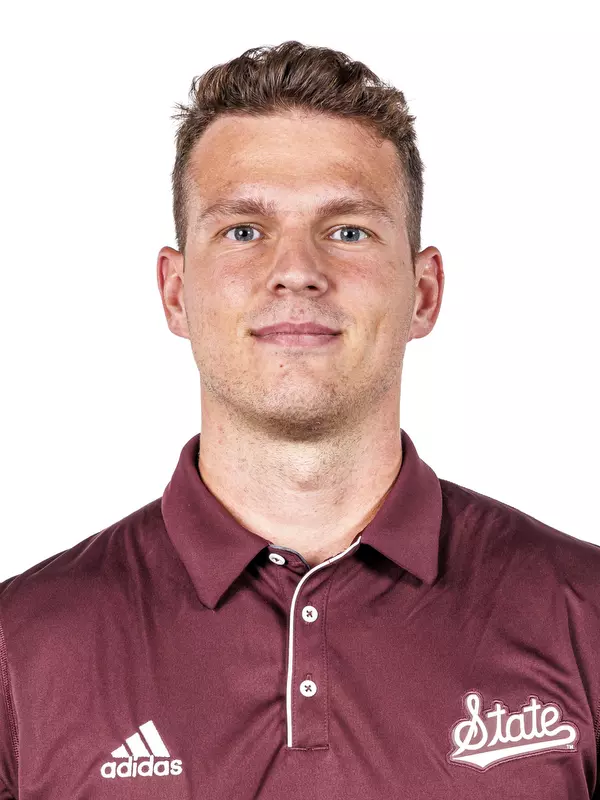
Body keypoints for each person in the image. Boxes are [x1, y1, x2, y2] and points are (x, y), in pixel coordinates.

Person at [0, 40, 598, 800]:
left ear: (423, 292)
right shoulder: (20, 646)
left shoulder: (586, 614)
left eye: (348, 230)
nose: (297, 270)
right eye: (243, 231)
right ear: (176, 292)